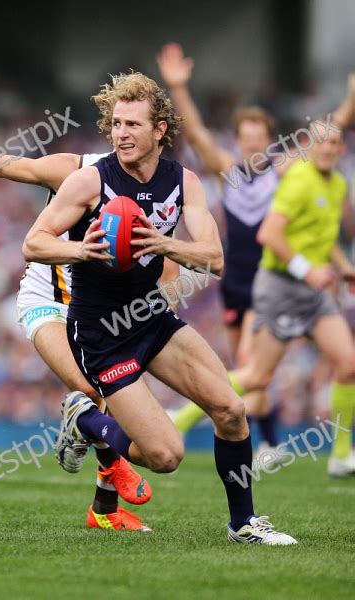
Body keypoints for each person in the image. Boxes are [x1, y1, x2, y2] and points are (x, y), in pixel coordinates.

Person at [23, 71, 297, 543]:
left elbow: (213, 258)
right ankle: (85, 417)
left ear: (159, 130)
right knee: (166, 457)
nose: (121, 133)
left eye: (133, 124)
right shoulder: (90, 182)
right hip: (101, 333)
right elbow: (34, 243)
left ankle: (243, 524)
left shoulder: (183, 182)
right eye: (116, 124)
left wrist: (162, 245)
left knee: (231, 410)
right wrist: (82, 251)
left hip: (151, 318)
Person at [0, 150, 179, 530]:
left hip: (103, 314)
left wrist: (156, 313)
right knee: (91, 389)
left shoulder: (154, 192)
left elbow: (168, 267)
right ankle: (94, 437)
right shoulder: (77, 170)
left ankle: (103, 508)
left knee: (114, 400)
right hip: (47, 303)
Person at [156, 43, 355, 462]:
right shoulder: (228, 172)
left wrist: (350, 101)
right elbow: (196, 133)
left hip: (271, 276)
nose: (251, 146)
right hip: (236, 279)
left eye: (258, 139)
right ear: (239, 141)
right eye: (245, 139)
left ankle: (257, 441)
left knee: (251, 364)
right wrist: (179, 88)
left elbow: (326, 136)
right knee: (251, 371)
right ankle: (260, 440)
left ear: (269, 141)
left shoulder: (286, 171)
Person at [220, 120, 355, 477]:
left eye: (335, 143)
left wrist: (345, 268)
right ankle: (185, 409)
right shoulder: (297, 179)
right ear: (309, 146)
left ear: (341, 149)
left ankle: (341, 454)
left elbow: (325, 242)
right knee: (256, 377)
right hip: (280, 285)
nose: (328, 149)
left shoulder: (339, 184)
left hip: (312, 291)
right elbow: (269, 234)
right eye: (321, 143)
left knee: (349, 364)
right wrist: (307, 271)